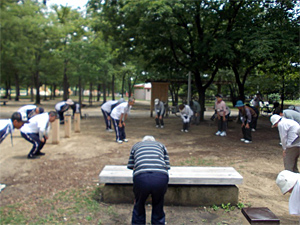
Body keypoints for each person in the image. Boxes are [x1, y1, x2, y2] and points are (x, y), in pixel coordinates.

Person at [127, 135, 170, 225]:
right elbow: (167, 166)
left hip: (141, 178)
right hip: (160, 178)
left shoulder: (136, 146)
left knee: (139, 204)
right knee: (158, 203)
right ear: (154, 141)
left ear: (143, 141)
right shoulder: (161, 145)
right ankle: (158, 222)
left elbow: (131, 166)